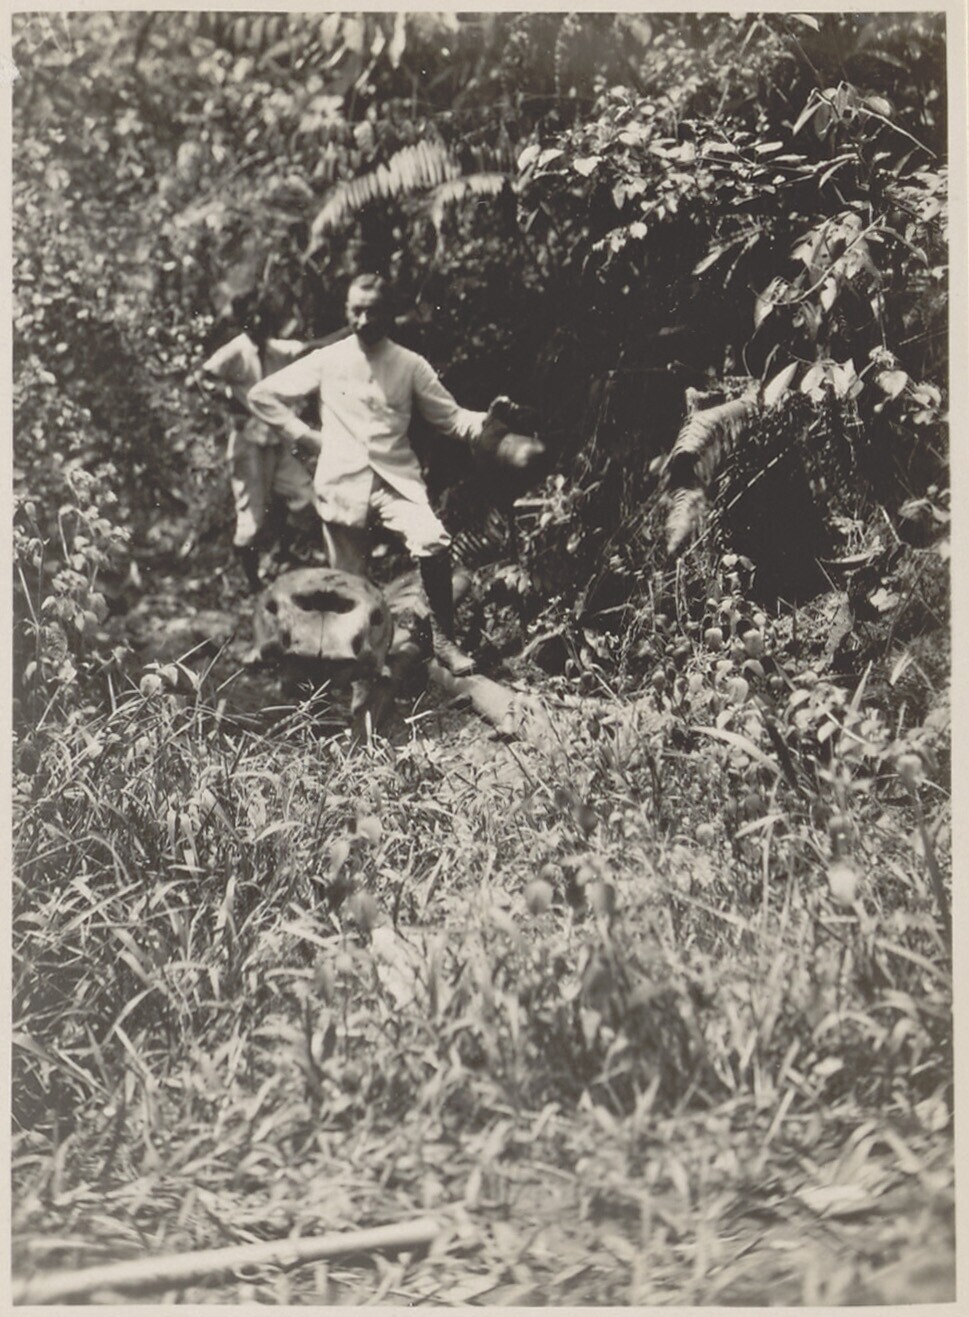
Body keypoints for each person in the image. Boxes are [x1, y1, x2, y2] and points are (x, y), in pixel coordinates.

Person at [247, 274, 488, 676]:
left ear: (389, 313)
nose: (363, 321)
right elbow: (262, 395)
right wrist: (305, 436)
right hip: (341, 484)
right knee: (348, 593)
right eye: (355, 311)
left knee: (431, 539)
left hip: (394, 483)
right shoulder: (329, 358)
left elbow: (452, 419)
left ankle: (444, 639)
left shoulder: (409, 364)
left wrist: (489, 423)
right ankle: (336, 691)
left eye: (372, 311)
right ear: (346, 311)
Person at [202, 295, 341, 594]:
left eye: (262, 323)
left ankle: (282, 552)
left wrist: (347, 335)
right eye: (252, 324)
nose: (258, 328)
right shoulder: (236, 350)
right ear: (244, 325)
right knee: (251, 518)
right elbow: (205, 376)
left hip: (275, 440)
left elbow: (306, 348)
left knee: (306, 496)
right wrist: (229, 400)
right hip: (248, 443)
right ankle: (252, 584)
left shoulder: (273, 347)